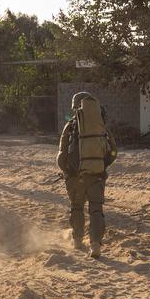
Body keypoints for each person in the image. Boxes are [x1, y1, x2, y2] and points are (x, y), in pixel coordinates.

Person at [58, 91, 117, 259]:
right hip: (97, 175)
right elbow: (113, 151)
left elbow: (61, 156)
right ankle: (96, 245)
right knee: (96, 210)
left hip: (75, 177)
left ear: (75, 107)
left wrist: (68, 172)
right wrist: (101, 165)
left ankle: (77, 241)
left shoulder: (70, 126)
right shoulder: (102, 127)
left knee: (77, 207)